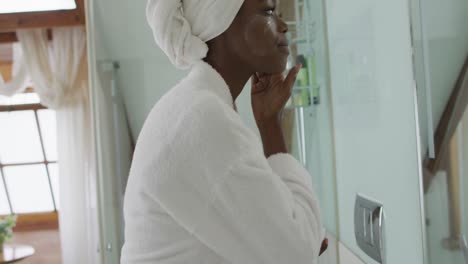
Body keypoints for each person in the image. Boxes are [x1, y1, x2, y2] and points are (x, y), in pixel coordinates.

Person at [121, 0, 328, 263]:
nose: (283, 26)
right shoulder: (203, 121)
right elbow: (297, 252)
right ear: (221, 21)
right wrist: (300, 239)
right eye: (268, 11)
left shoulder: (193, 107)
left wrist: (269, 121)